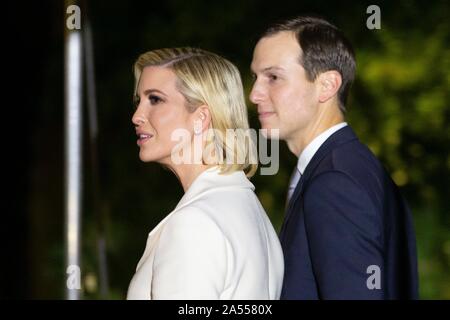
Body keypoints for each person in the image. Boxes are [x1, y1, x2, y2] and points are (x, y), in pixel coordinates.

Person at [250, 16, 419, 299]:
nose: (255, 93)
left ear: (327, 85)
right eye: (255, 77)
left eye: (273, 77)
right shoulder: (348, 167)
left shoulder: (336, 182)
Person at [126, 47, 284, 299]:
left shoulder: (194, 223)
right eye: (139, 101)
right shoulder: (249, 210)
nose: (137, 116)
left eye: (155, 99)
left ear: (200, 117)